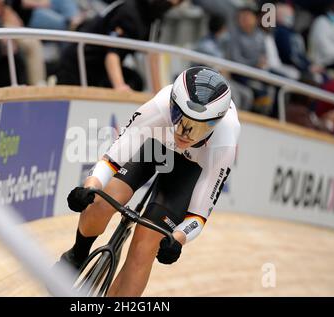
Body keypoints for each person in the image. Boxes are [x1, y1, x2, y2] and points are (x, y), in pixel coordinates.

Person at [58, 66, 241, 296]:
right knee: (103, 201)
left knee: (144, 248)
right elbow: (115, 156)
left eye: (199, 127)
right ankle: (77, 253)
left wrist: (178, 239)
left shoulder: (225, 140)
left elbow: (199, 213)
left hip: (191, 168)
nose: (185, 132)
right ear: (172, 106)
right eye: (180, 118)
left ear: (215, 123)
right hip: (155, 144)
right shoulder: (160, 106)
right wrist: (91, 186)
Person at [57, 0, 183, 91]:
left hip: (100, 69)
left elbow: (152, 57)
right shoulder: (130, 10)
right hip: (79, 65)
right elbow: (112, 53)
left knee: (135, 81)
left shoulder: (155, 19)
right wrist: (120, 86)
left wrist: (159, 95)